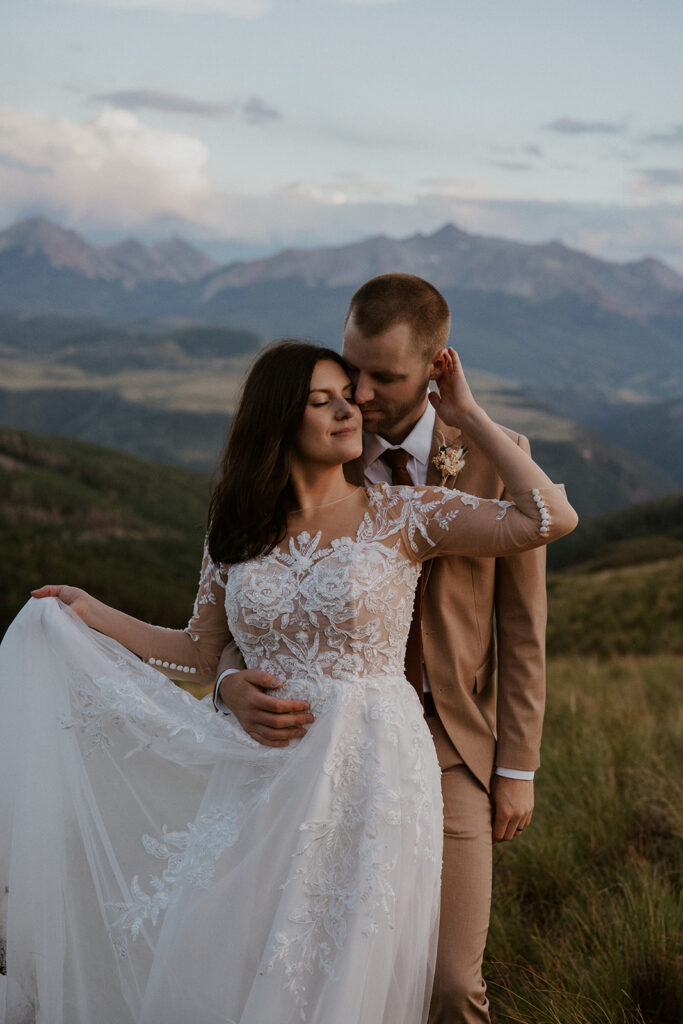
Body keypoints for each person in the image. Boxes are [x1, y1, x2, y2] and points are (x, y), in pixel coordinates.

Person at [0, 340, 577, 1024]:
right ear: (279, 418)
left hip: (375, 775)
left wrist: (469, 414)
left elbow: (548, 518)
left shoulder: (402, 513)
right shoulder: (237, 526)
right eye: (321, 400)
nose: (349, 408)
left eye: (348, 394)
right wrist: (90, 615)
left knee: (347, 973)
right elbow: (195, 651)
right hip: (263, 774)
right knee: (240, 960)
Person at [213, 275, 550, 1024]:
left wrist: (516, 766)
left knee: (449, 982)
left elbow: (523, 631)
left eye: (383, 377)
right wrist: (228, 683)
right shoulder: (319, 448)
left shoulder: (498, 459)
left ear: (435, 369)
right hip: (313, 748)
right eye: (351, 367)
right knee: (320, 963)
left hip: (447, 743)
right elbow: (246, 613)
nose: (358, 394)